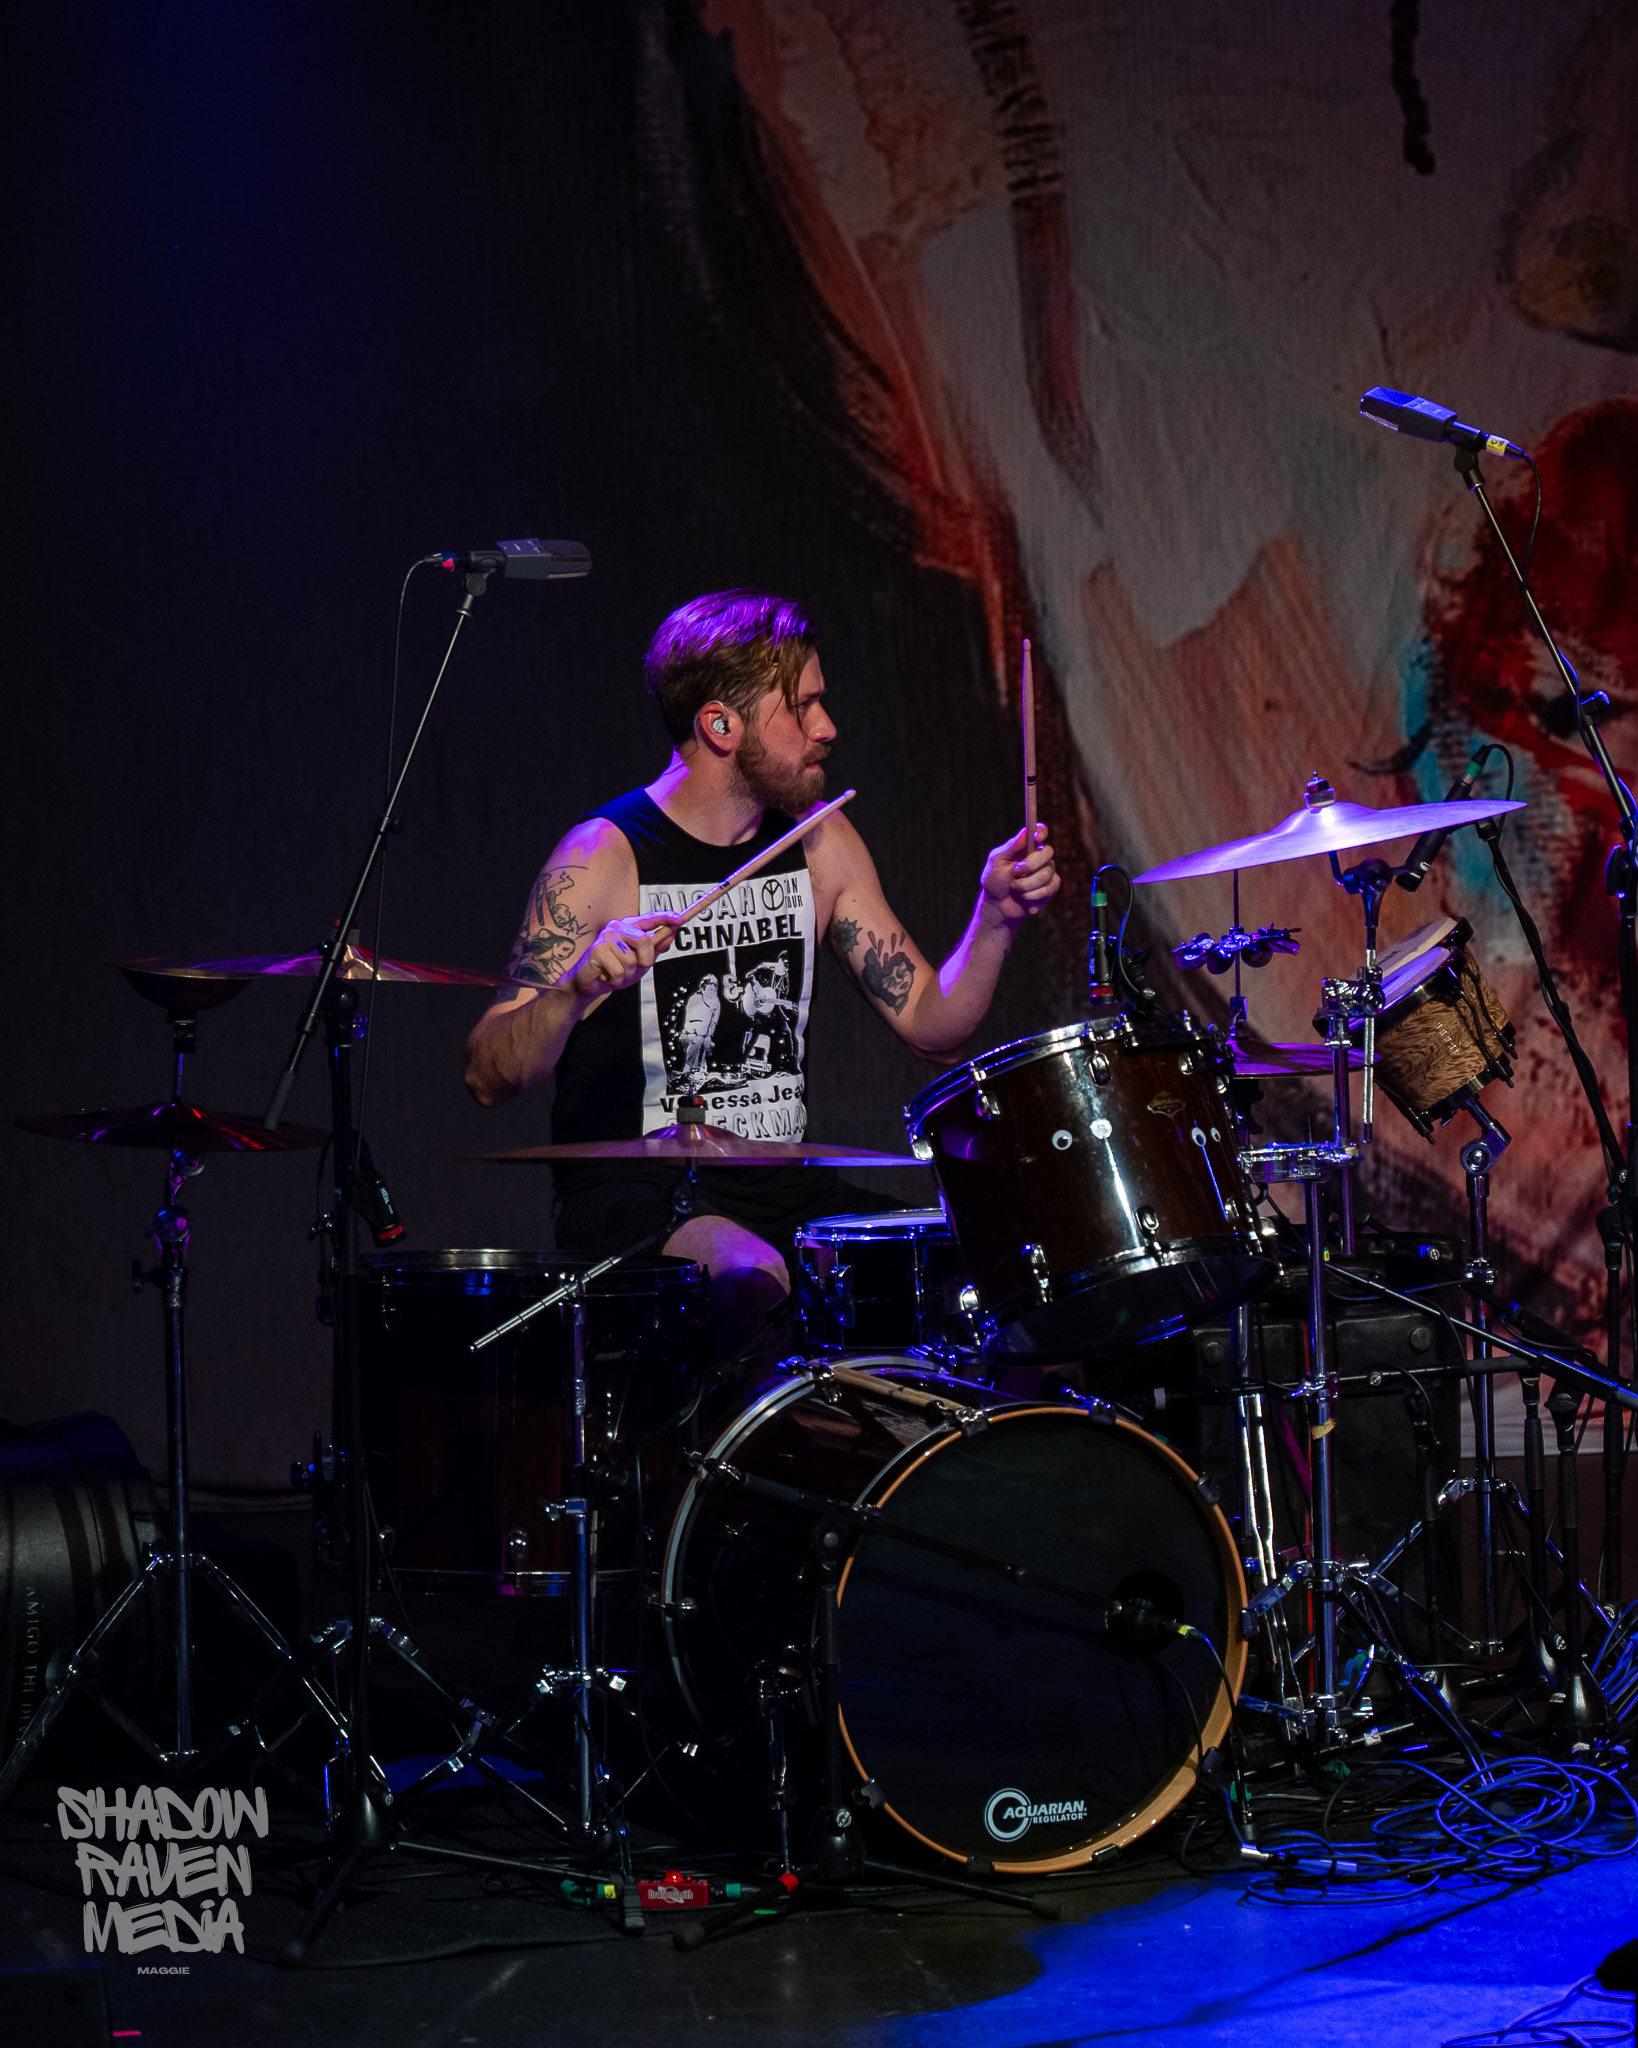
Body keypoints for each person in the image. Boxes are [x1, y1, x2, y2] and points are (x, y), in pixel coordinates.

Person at [464, 589, 1058, 1349]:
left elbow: (932, 1026)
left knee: (987, 1265)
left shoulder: (820, 842)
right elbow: (487, 1072)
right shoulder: (602, 857)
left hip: (785, 1187)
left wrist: (997, 916)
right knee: (751, 1275)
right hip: (637, 1199)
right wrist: (576, 987)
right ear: (720, 725)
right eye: (803, 709)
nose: (827, 728)